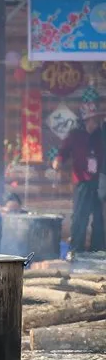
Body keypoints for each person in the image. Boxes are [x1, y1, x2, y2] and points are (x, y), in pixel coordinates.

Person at [53, 102, 106, 259]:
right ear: (86, 120)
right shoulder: (75, 135)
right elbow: (63, 151)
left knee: (99, 217)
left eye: (97, 120)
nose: (96, 123)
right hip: (82, 181)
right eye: (93, 120)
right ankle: (77, 250)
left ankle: (98, 250)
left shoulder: (101, 135)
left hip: (99, 181)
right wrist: (58, 161)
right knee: (80, 216)